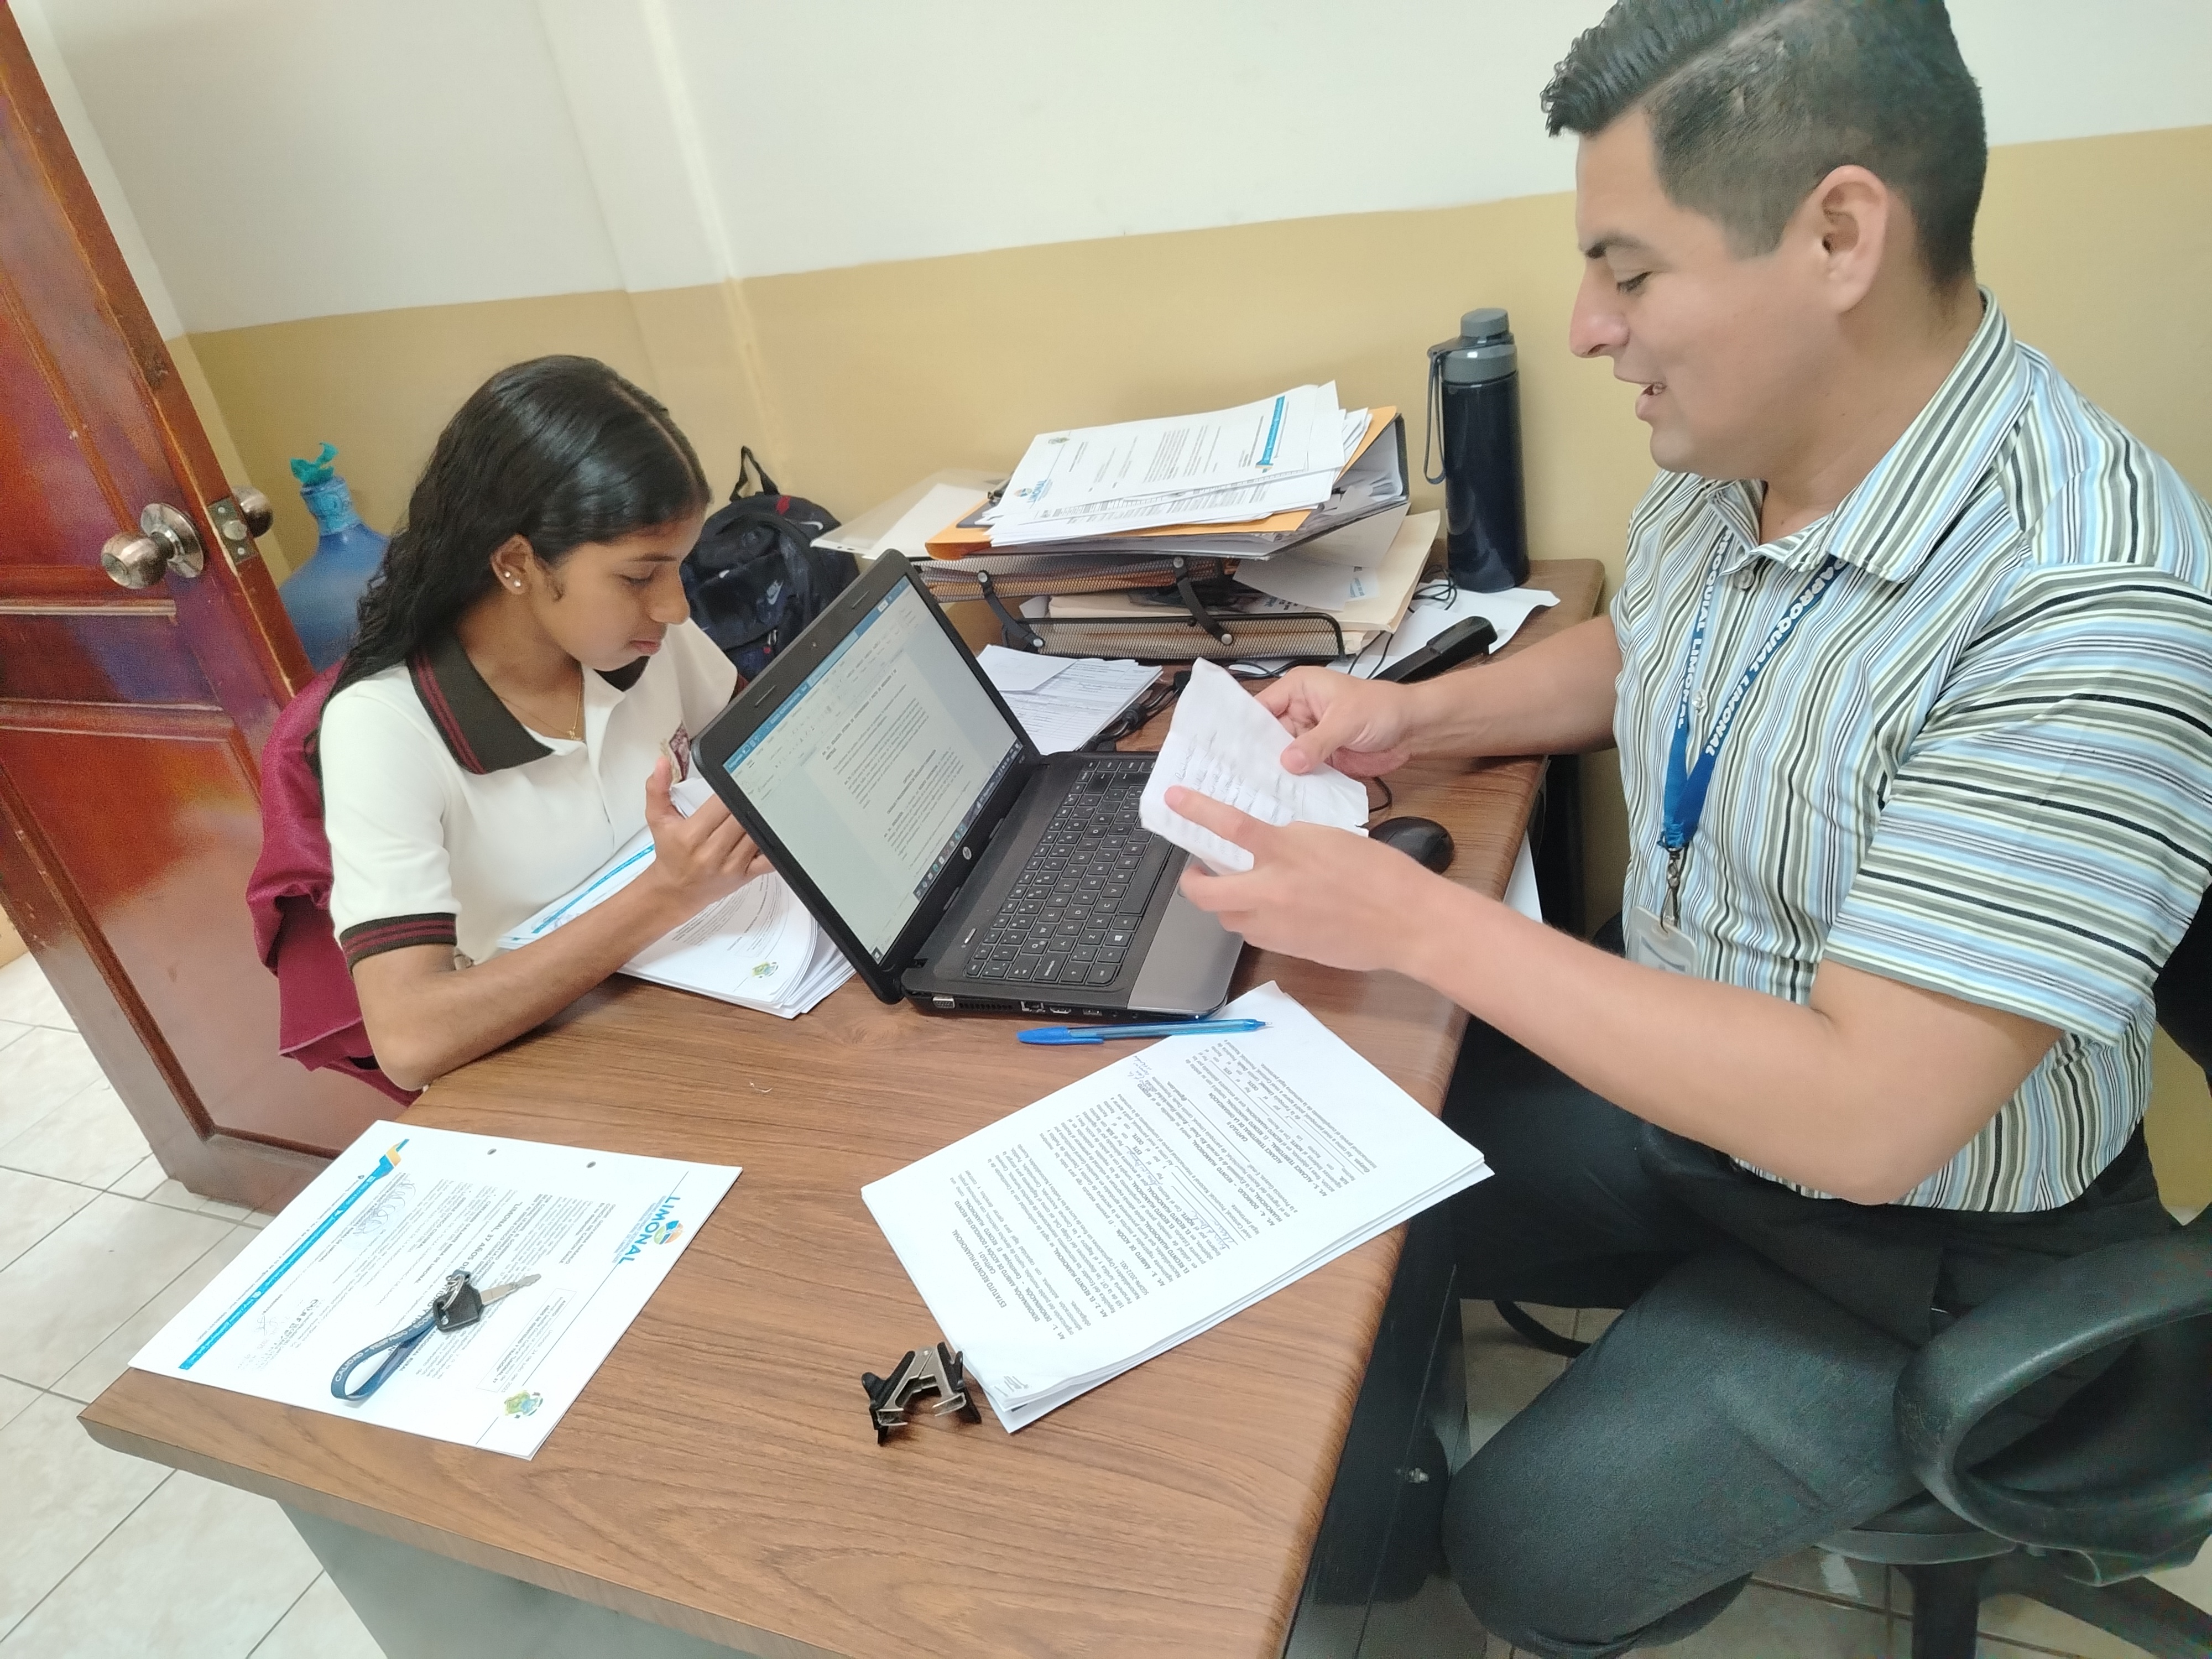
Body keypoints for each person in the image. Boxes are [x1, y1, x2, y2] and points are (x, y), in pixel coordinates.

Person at [1162, 1, 2212, 1652]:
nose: (1589, 329)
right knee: (1334, 1170)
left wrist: (1420, 920)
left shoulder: (2080, 597)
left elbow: (1869, 1119)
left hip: (1926, 1228)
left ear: (1839, 235)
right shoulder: (1747, 454)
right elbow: (1654, 646)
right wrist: (1415, 718)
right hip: (1699, 1098)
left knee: (1526, 1556)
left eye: (1631, 273)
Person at [320, 356, 769, 1092]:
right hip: (547, 1076)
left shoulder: (646, 641)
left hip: (711, 1007)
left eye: (678, 568)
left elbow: (760, 765)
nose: (675, 607)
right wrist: (666, 893)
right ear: (517, 562)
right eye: (639, 575)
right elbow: (408, 1038)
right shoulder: (384, 729)